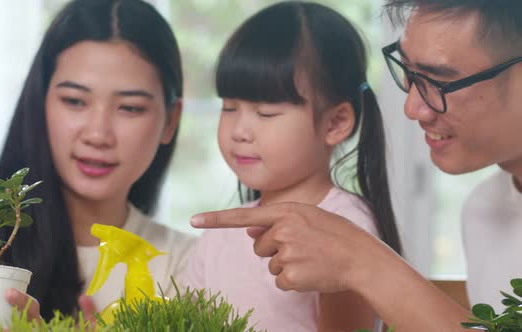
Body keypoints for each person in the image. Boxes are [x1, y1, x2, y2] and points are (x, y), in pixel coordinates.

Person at [190, 1, 522, 331]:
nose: (412, 108)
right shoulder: (483, 211)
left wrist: (363, 262)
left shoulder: (347, 224)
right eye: (408, 73)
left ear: (336, 123)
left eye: (439, 81)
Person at [0, 0, 196, 328]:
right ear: (39, 101)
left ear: (171, 121)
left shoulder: (189, 265)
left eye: (129, 107)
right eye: (74, 101)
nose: (98, 134)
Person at [182, 2, 402, 331]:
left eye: (266, 113)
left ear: (335, 123)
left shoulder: (346, 228)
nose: (239, 131)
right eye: (229, 108)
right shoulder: (218, 238)